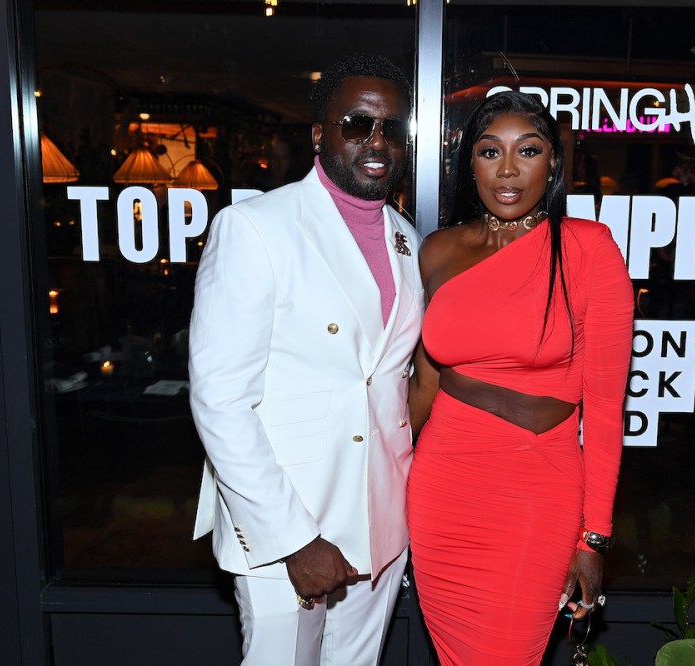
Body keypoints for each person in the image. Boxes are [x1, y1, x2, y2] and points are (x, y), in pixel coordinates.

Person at [188, 53, 422, 665]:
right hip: (287, 519)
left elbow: (390, 382)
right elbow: (220, 399)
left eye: (393, 128)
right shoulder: (255, 227)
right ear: (319, 134)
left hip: (379, 520)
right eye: (357, 124)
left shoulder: (407, 238)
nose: (377, 141)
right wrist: (292, 539)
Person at [407, 91, 634, 665]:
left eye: (527, 151)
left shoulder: (588, 249)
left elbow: (605, 409)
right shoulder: (436, 251)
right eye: (490, 152)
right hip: (441, 489)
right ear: (470, 164)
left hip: (536, 492)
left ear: (553, 163)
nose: (507, 170)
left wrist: (594, 537)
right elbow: (422, 387)